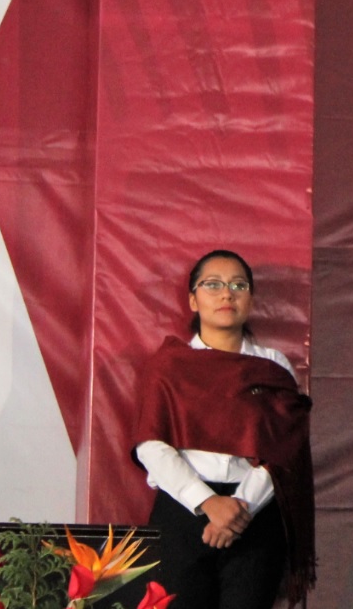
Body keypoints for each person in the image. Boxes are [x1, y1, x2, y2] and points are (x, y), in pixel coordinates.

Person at [131, 249, 315, 609]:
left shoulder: (274, 366)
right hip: (183, 512)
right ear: (192, 300)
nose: (226, 294)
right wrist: (207, 502)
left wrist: (241, 506)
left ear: (251, 299)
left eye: (238, 285)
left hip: (255, 516)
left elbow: (285, 449)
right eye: (213, 285)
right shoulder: (168, 366)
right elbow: (151, 444)